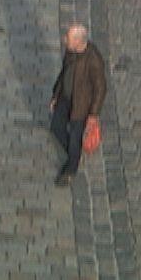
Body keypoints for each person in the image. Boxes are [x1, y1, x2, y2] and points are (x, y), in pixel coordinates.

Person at [49, 24, 108, 186]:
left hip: (81, 106)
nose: (64, 40)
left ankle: (70, 170)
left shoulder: (94, 60)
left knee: (75, 138)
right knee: (56, 127)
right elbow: (64, 74)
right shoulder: (71, 52)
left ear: (77, 41)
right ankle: (74, 154)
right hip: (66, 99)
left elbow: (100, 89)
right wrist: (56, 95)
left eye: (67, 38)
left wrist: (93, 114)